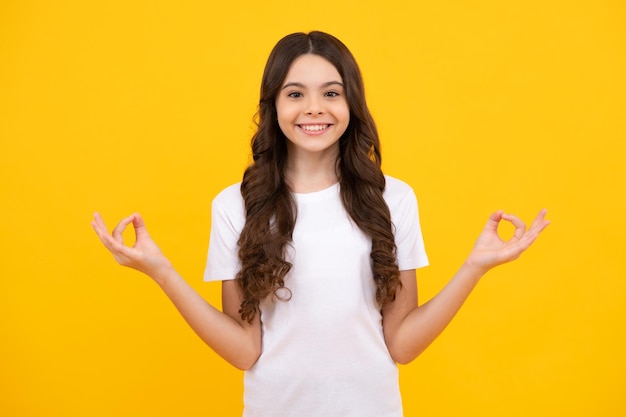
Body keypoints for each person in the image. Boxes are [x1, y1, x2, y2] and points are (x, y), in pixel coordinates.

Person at [91, 31, 549, 417]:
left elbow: (403, 344)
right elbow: (244, 350)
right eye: (295, 94)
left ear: (351, 102)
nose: (314, 108)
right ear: (273, 106)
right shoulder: (235, 205)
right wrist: (161, 272)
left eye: (331, 93)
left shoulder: (393, 198)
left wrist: (475, 267)